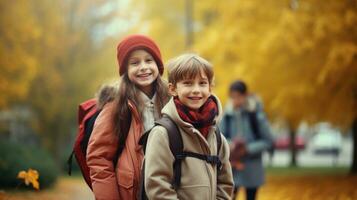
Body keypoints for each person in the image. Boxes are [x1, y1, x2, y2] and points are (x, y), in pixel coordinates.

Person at [86, 34, 170, 200]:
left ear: (158, 65)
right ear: (125, 70)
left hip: (167, 190)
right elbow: (99, 159)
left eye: (149, 60)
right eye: (135, 63)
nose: (143, 67)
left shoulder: (172, 101)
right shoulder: (116, 106)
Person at [144, 54, 234, 200]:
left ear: (210, 87)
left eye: (202, 83)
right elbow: (158, 187)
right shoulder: (163, 134)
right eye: (188, 83)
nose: (196, 90)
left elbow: (225, 183)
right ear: (173, 89)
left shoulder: (216, 136)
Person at [220, 80, 274, 200]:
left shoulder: (256, 115)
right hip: (232, 167)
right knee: (229, 197)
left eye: (239, 96)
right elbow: (220, 138)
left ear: (245, 96)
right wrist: (231, 145)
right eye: (233, 97)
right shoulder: (226, 116)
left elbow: (268, 140)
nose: (236, 100)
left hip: (252, 167)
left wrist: (248, 149)